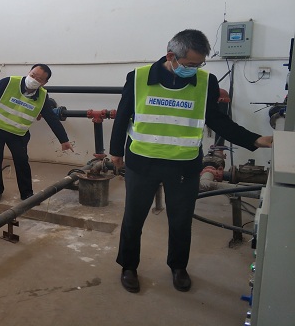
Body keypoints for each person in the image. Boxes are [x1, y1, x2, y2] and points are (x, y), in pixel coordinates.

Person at [109, 29, 273, 293]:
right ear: (170, 56)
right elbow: (123, 115)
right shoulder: (138, 77)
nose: (194, 69)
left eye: (199, 64)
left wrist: (254, 140)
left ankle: (178, 267)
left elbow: (217, 120)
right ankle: (128, 266)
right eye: (190, 64)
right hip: (143, 163)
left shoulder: (205, 82)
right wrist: (116, 152)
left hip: (183, 165)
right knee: (134, 219)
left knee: (181, 220)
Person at [0, 64, 74, 203]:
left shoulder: (42, 97)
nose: (33, 79)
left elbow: (51, 118)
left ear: (44, 83)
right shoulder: (8, 82)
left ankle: (27, 193)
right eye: (33, 75)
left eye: (39, 79)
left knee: (22, 162)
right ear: (29, 72)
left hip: (18, 134)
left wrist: (63, 140)